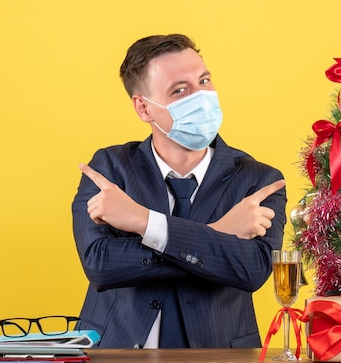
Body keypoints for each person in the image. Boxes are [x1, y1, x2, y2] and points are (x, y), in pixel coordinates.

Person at [72, 34, 286, 349]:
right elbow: (101, 266)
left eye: (204, 81)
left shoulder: (257, 179)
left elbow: (251, 270)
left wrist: (144, 222)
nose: (201, 96)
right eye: (179, 90)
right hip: (116, 351)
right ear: (144, 108)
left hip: (219, 354)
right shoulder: (108, 169)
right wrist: (216, 234)